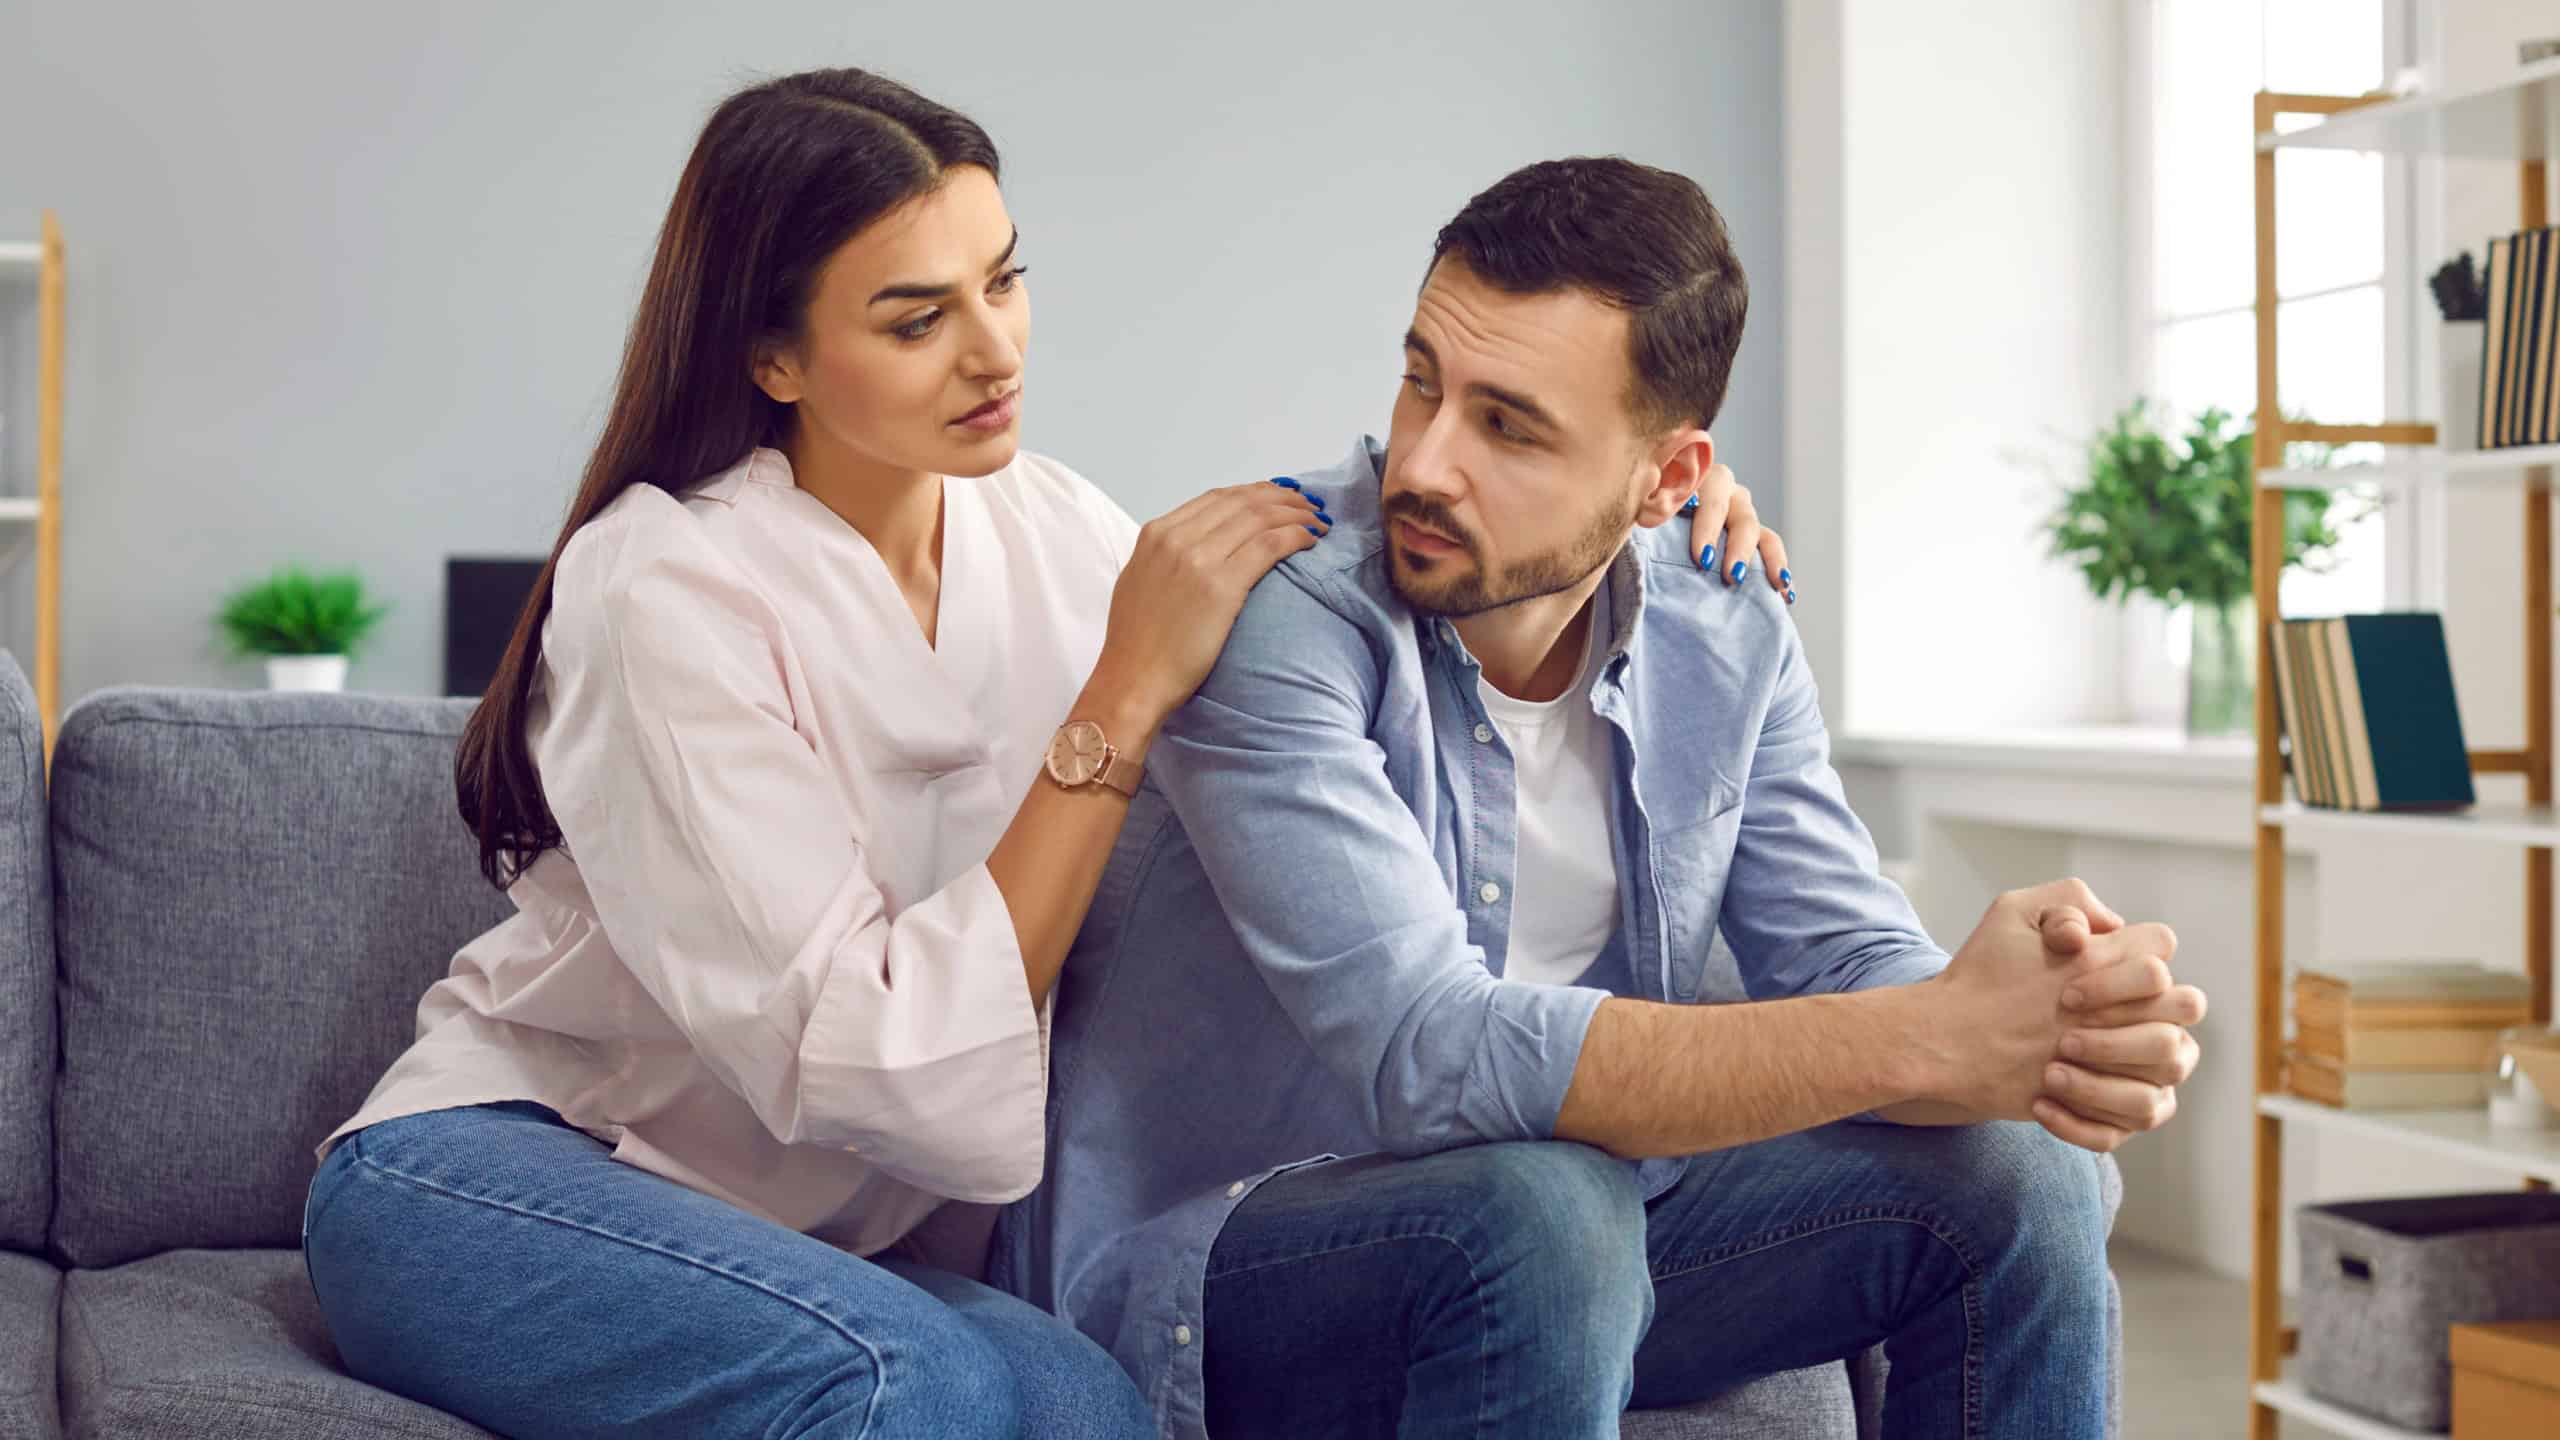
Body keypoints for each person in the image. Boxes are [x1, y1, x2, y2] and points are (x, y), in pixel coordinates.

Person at [298, 71, 1781, 1440]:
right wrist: (1119, 700)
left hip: (824, 1245)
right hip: (513, 1167)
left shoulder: (1058, 526)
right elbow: (880, 1069)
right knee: (912, 1382)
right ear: (774, 357)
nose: (994, 349)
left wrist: (1659, 517)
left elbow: (1388, 543)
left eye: (1004, 280)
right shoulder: (662, 589)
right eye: (913, 317)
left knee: (1094, 1405)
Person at [994, 157, 2208, 1440]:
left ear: (1667, 478)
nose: (1425, 462)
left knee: (2023, 1174)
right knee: (1542, 1208)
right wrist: (1936, 1037)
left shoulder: (1726, 621)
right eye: (1422, 382)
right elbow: (1427, 1052)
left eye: (1508, 426)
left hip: (1575, 1248)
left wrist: (2039, 1026)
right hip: (1241, 1265)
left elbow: (1843, 954)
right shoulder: (1285, 617)